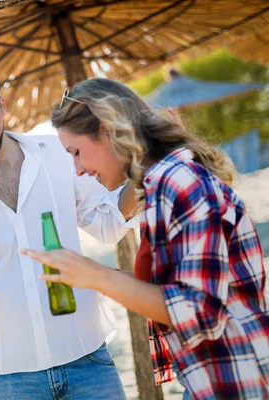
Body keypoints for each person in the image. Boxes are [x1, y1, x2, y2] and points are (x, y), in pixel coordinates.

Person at [22, 78, 269, 400]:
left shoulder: (180, 183)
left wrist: (98, 278)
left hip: (239, 377)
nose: (78, 170)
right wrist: (90, 274)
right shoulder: (161, 184)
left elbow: (200, 311)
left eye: (77, 152)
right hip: (214, 375)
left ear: (109, 130)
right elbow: (169, 289)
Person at [0, 56, 140, 400]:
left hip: (87, 360)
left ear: (2, 105)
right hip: (6, 380)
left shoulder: (59, 155)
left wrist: (148, 166)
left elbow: (108, 224)